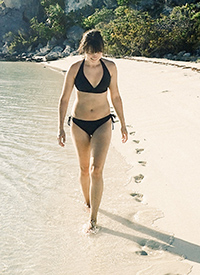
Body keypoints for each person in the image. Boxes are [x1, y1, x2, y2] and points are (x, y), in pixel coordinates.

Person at [57, 30, 128, 232]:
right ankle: (88, 203)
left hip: (103, 122)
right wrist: (60, 127)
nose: (94, 56)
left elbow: (116, 97)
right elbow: (63, 99)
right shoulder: (74, 69)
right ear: (84, 49)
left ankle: (93, 219)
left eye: (97, 51)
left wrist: (123, 123)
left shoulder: (110, 67)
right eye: (90, 52)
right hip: (78, 123)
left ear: (102, 50)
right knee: (83, 169)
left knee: (96, 170)